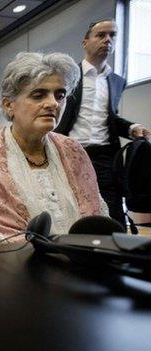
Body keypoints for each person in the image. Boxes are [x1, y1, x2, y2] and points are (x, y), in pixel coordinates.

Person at [0, 52, 107, 245]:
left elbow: (95, 219)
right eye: (38, 95)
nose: (53, 103)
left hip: (82, 264)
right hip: (16, 270)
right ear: (8, 104)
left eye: (60, 95)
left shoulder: (73, 151)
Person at [54, 19, 150, 226]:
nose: (107, 40)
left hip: (106, 156)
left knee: (112, 210)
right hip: (70, 153)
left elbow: (110, 117)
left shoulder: (116, 80)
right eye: (101, 35)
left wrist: (132, 128)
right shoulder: (69, 76)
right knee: (68, 206)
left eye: (112, 35)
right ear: (85, 42)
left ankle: (114, 253)